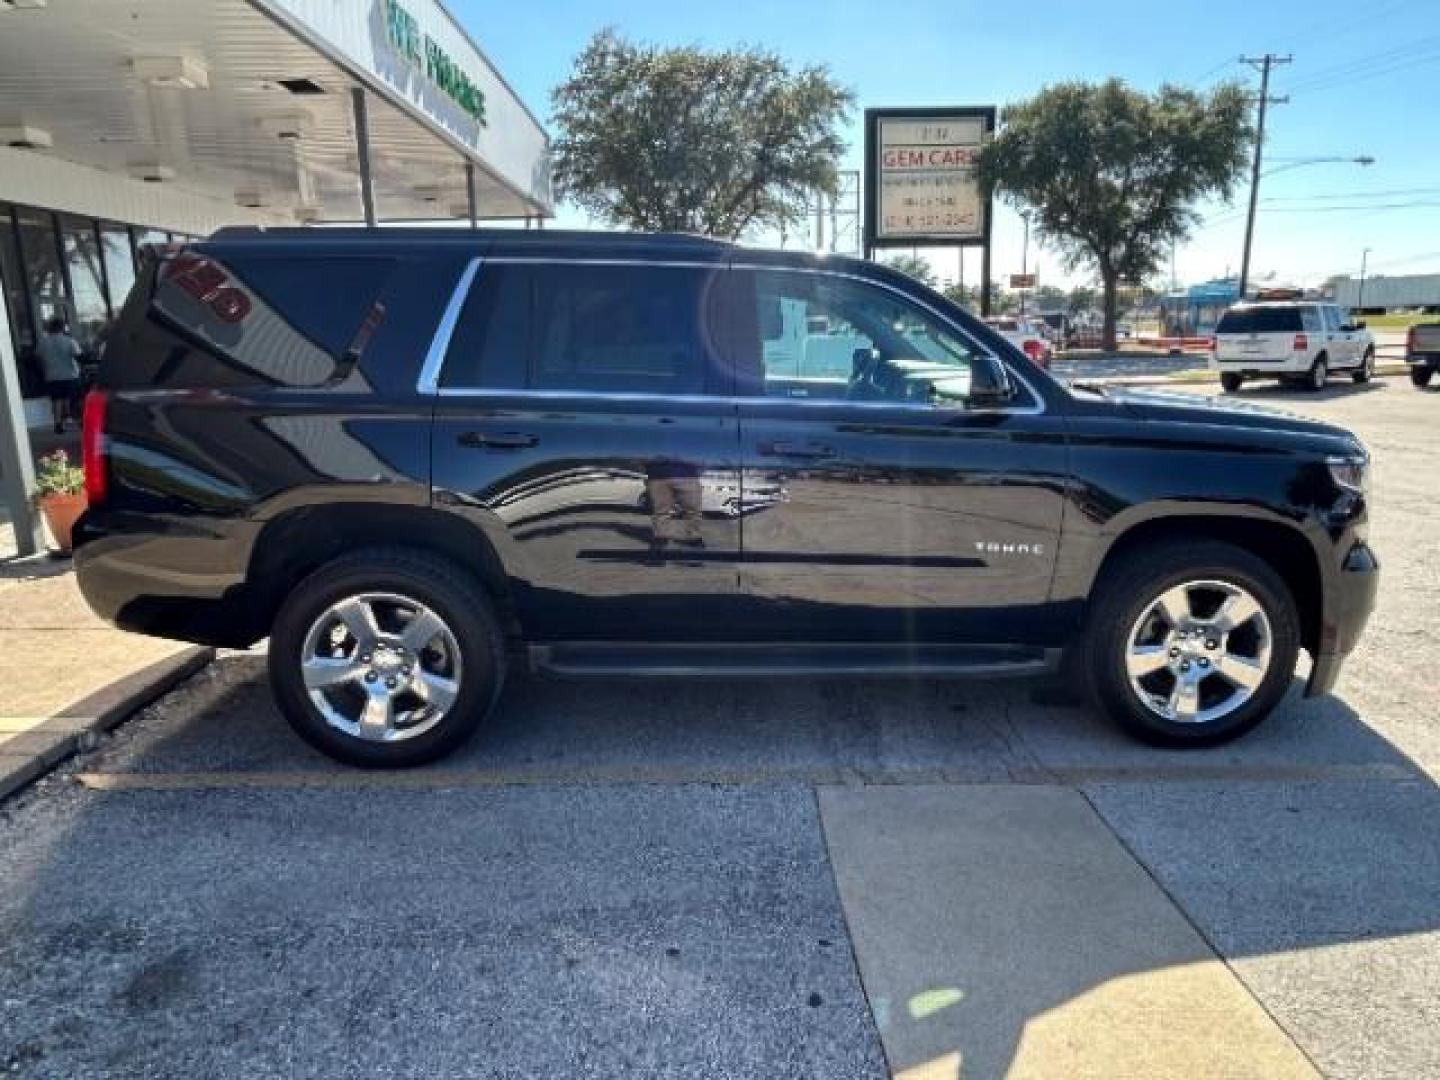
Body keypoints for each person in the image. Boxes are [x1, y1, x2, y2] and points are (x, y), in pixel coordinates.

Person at [37, 317, 82, 434]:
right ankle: (73, 418)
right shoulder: (69, 341)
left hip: (52, 376)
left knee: (57, 400)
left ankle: (58, 423)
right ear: (62, 327)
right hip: (70, 374)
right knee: (71, 398)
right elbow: (78, 355)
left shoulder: (43, 342)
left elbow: (37, 356)